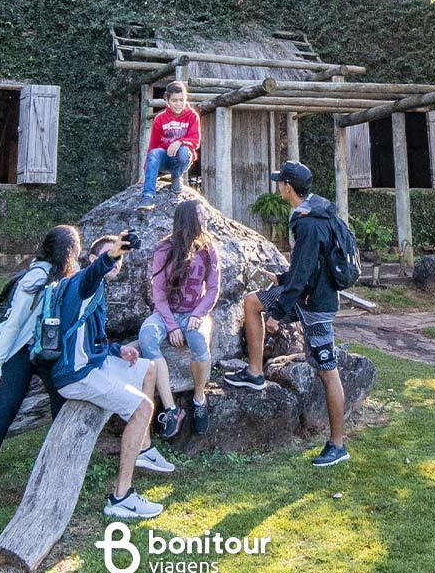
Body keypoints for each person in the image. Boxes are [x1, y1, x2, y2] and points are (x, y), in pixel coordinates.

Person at [52, 231, 187, 518]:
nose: (115, 264)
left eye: (119, 261)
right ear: (92, 259)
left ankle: (143, 449)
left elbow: (90, 339)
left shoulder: (92, 288)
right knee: (144, 407)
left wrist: (117, 350)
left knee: (148, 367)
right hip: (77, 375)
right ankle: (121, 497)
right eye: (110, 258)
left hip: (92, 363)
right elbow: (96, 270)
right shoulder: (85, 282)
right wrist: (114, 251)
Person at [223, 160, 349, 467]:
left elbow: (304, 273)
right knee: (253, 302)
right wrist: (277, 278)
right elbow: (303, 268)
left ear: (288, 187)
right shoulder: (316, 212)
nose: (278, 185)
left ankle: (337, 444)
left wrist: (278, 313)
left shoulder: (308, 222)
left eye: (280, 182)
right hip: (305, 294)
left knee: (326, 370)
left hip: (315, 305)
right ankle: (254, 372)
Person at [0, 224, 80, 508]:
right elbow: (13, 326)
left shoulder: (63, 275)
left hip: (45, 351)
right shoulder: (38, 276)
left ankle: (56, 476)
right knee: (5, 409)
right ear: (66, 251)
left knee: (62, 403)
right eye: (75, 249)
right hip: (21, 351)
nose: (77, 254)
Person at [139, 198, 220, 434]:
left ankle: (198, 399)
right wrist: (172, 326)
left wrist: (198, 313)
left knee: (198, 341)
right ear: (189, 218)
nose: (206, 218)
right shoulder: (165, 248)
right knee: (146, 337)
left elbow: (213, 288)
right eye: (202, 214)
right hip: (166, 314)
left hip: (195, 313)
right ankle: (171, 409)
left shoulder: (208, 249)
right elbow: (158, 291)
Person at [139, 81, 201, 206]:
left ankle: (176, 177)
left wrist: (180, 142)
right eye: (174, 100)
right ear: (167, 101)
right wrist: (146, 172)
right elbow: (153, 146)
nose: (178, 104)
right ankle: (147, 196)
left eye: (181, 100)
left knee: (183, 151)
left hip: (181, 159)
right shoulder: (160, 118)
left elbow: (195, 141)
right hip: (165, 157)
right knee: (154, 153)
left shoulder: (192, 116)